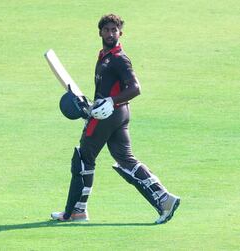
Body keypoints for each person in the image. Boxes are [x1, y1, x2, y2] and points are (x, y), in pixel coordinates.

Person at [51, 14, 180, 224]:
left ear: (121, 33)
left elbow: (135, 88)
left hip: (111, 114)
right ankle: (165, 200)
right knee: (125, 160)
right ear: (100, 32)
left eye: (115, 30)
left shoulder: (119, 58)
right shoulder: (105, 55)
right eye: (107, 30)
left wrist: (111, 102)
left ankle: (75, 212)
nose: (111, 33)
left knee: (84, 158)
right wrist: (93, 106)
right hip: (116, 114)